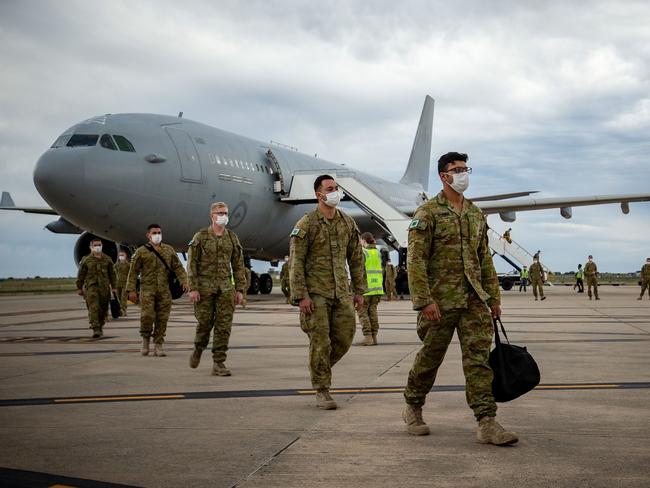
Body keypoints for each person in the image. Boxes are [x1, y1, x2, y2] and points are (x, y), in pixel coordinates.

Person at [402, 152, 517, 446]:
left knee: (479, 362)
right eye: (457, 169)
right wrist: (424, 300)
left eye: (465, 168)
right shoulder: (427, 213)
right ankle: (413, 407)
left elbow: (484, 260)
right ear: (444, 176)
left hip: (474, 301)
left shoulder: (476, 214)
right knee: (430, 359)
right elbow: (415, 261)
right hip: (439, 302)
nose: (463, 173)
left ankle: (487, 422)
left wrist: (492, 296)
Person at [289, 174, 367, 410]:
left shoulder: (347, 222)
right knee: (320, 341)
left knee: (344, 338)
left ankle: (319, 369)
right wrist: (301, 295)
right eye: (330, 188)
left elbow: (355, 258)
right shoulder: (307, 224)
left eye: (336, 188)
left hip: (341, 292)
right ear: (318, 194)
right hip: (315, 294)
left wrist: (359, 290)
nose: (335, 192)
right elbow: (296, 262)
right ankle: (322, 389)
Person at [188, 202, 246, 376]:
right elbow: (192, 264)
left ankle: (219, 362)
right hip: (204, 289)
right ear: (211, 216)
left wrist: (240, 290)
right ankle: (198, 348)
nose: (223, 216)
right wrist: (193, 288)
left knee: (224, 326)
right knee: (205, 323)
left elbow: (238, 265)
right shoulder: (201, 237)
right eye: (220, 213)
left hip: (225, 288)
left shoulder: (232, 238)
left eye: (225, 213)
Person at [127, 224, 188, 357]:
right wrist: (131, 290)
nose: (157, 235)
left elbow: (178, 267)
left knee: (162, 318)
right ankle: (145, 341)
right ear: (148, 235)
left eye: (159, 232)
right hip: (147, 290)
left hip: (164, 291)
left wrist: (184, 280)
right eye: (154, 233)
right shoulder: (141, 252)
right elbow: (133, 272)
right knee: (147, 316)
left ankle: (158, 344)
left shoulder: (168, 250)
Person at [76, 238, 116, 338]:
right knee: (93, 308)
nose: (97, 247)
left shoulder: (107, 259)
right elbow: (81, 275)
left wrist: (114, 287)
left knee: (103, 309)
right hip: (91, 288)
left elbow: (112, 274)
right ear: (91, 247)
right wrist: (79, 287)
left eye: (99, 245)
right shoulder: (86, 260)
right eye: (95, 245)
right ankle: (95, 328)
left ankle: (100, 325)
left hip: (104, 288)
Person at [355, 232, 384, 346]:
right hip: (377, 288)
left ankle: (368, 337)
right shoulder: (377, 252)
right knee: (373, 312)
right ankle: (374, 336)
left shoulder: (363, 252)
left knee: (363, 313)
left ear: (364, 240)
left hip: (366, 288)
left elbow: (358, 271)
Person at [114, 250, 130, 316]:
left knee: (124, 298)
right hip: (117, 284)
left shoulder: (128, 265)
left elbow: (131, 274)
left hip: (125, 283)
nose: (121, 257)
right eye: (120, 255)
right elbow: (112, 274)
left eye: (122, 255)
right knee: (118, 298)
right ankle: (119, 311)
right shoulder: (116, 265)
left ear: (125, 256)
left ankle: (124, 311)